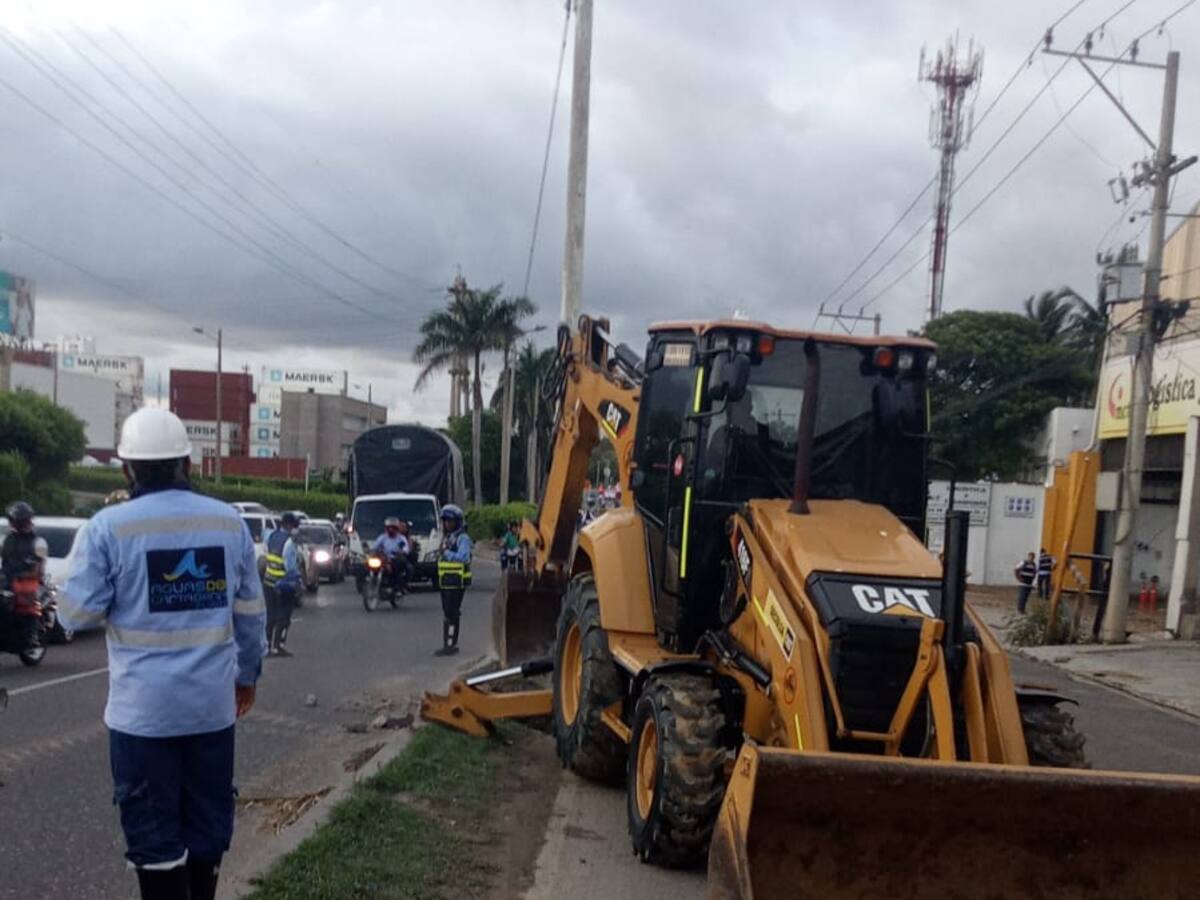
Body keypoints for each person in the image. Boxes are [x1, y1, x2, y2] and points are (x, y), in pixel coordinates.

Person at [58, 407, 266, 900]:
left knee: (154, 840)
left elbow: (73, 616)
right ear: (187, 464)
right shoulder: (229, 524)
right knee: (206, 831)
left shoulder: (108, 529)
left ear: (128, 469)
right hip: (211, 713)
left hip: (142, 720)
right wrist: (247, 676)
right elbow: (252, 617)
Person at [435, 504, 472, 656]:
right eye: (445, 521)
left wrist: (447, 553)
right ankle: (448, 644)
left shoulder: (462, 538)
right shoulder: (448, 537)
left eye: (449, 521)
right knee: (447, 612)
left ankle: (451, 645)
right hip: (446, 581)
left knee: (452, 612)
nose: (447, 524)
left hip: (457, 581)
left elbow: (464, 558)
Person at [263, 513, 302, 657]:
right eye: (293, 525)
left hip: (268, 582)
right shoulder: (289, 543)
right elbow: (290, 567)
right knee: (284, 616)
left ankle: (267, 646)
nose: (294, 528)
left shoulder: (271, 536)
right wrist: (298, 583)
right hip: (284, 584)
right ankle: (278, 646)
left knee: (270, 616)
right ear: (288, 525)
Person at [2, 501, 39, 586]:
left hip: (26, 586)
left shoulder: (37, 542)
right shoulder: (8, 539)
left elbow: (37, 571)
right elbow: (5, 562)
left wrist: (17, 576)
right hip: (8, 584)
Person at [371, 516, 410, 594]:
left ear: (396, 529)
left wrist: (401, 552)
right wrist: (371, 552)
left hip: (395, 559)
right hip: (384, 559)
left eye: (393, 528)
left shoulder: (401, 538)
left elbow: (406, 549)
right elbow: (375, 547)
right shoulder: (382, 537)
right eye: (388, 528)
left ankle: (398, 587)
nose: (390, 529)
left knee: (398, 567)